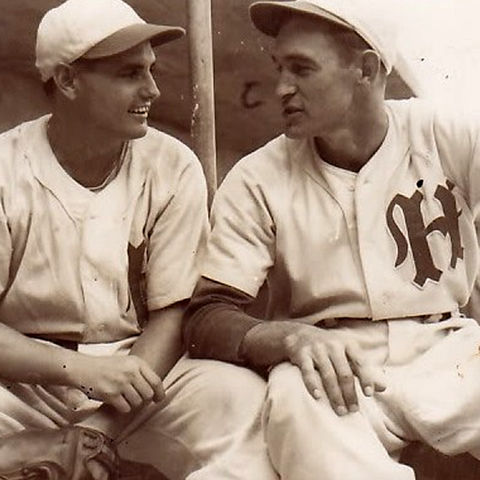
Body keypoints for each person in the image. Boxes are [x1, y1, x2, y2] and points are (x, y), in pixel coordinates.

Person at [184, 0, 480, 479]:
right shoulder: (259, 177)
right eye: (279, 67)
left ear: (365, 69)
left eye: (301, 68)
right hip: (332, 368)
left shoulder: (441, 132)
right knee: (296, 406)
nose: (282, 87)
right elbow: (207, 317)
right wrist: (288, 336)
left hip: (451, 352)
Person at [0, 1, 275, 479]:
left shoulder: (172, 164)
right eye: (129, 73)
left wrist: (102, 425)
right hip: (21, 380)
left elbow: (173, 313)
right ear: (67, 81)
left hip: (140, 377)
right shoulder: (5, 169)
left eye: (150, 69)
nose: (152, 89)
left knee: (243, 402)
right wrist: (82, 374)